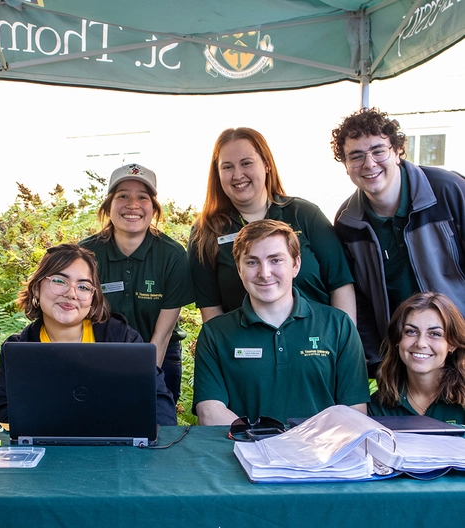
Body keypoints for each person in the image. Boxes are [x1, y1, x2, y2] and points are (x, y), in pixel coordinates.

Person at [193, 220, 369, 426]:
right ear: (239, 270)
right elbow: (210, 412)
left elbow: (355, 411)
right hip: (245, 452)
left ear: (296, 265)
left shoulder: (338, 326)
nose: (264, 273)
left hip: (322, 454)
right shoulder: (215, 333)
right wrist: (266, 444)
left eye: (275, 260)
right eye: (252, 262)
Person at [331, 107, 465, 375]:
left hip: (459, 351)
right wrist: (377, 362)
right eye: (356, 156)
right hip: (404, 361)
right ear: (345, 166)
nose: (369, 164)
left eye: (378, 150)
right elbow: (360, 303)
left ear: (397, 151)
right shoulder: (348, 223)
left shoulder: (449, 190)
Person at [0, 243, 176, 426]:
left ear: (93, 298)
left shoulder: (122, 338)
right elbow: (5, 411)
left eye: (83, 287)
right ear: (36, 289)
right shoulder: (18, 350)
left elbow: (159, 403)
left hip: (115, 450)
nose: (71, 293)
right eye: (59, 281)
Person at [188, 127, 356, 324]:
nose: (237, 174)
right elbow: (210, 309)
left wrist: (344, 345)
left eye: (246, 163)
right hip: (247, 350)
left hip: (316, 346)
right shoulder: (205, 231)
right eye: (227, 167)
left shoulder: (305, 214)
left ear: (266, 165)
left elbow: (341, 285)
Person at [81, 164, 195, 403]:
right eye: (122, 196)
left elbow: (162, 335)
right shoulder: (85, 253)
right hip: (98, 355)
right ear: (108, 206)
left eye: (142, 197)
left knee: (156, 430)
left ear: (153, 208)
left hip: (158, 352)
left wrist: (143, 381)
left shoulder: (172, 255)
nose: (132, 205)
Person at [369, 293, 465, 423]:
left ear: (452, 344)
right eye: (411, 331)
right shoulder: (378, 406)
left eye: (435, 334)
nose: (420, 343)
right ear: (397, 339)